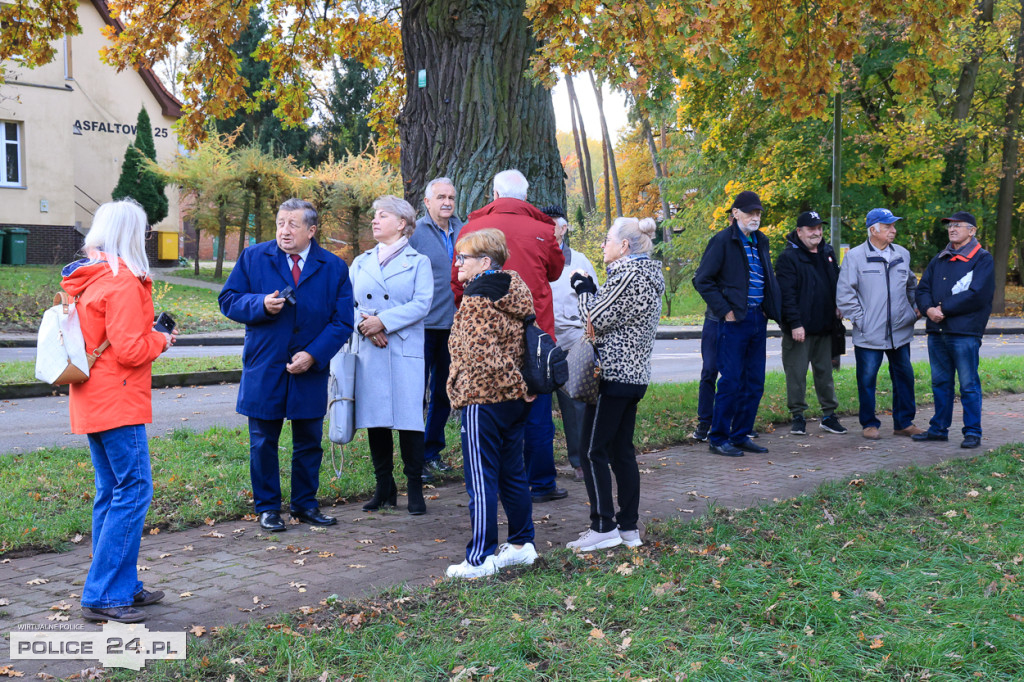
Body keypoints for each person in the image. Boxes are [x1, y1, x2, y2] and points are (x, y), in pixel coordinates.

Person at [62, 199, 177, 623]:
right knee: (133, 490)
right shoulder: (123, 281)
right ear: (132, 234)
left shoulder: (87, 278)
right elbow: (129, 351)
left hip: (92, 397)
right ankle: (106, 594)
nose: (147, 237)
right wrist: (161, 339)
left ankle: (119, 585)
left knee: (111, 493)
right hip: (119, 401)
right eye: (144, 230)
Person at [219, 198, 354, 532]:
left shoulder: (333, 267)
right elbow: (228, 300)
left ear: (312, 230)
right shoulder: (254, 257)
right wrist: (260, 304)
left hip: (310, 369)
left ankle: (305, 505)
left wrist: (314, 355)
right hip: (265, 365)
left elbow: (342, 321)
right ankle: (267, 508)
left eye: (293, 224)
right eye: (281, 223)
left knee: (308, 441)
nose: (284, 231)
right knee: (263, 441)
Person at [451, 169, 567, 503]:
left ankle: (498, 482)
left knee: (490, 408)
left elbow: (457, 280)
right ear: (525, 196)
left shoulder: (471, 229)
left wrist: (472, 309)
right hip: (535, 332)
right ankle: (541, 483)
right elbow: (556, 271)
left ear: (495, 194)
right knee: (537, 411)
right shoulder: (543, 229)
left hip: (487, 332)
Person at [565, 217, 664, 551]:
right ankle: (628, 528)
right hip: (633, 376)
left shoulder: (629, 275)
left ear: (624, 246)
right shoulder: (648, 275)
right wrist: (593, 292)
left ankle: (603, 526)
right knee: (621, 452)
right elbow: (612, 315)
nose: (602, 245)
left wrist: (582, 288)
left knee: (592, 451)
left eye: (607, 239)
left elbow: (593, 320)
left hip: (613, 375)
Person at [445, 229, 539, 578]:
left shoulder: (477, 298)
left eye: (463, 258)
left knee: (481, 480)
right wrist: (520, 387)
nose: (457, 264)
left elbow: (481, 354)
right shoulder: (514, 289)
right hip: (512, 401)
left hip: (482, 398)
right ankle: (521, 546)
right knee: (512, 474)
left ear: (485, 262)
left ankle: (480, 559)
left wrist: (515, 384)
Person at [350, 195, 433, 514]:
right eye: (374, 215)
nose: (374, 220)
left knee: (410, 421)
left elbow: (422, 303)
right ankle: (384, 486)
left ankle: (414, 487)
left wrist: (383, 321)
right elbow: (346, 303)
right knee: (376, 419)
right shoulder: (361, 261)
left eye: (382, 215)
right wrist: (365, 326)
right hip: (370, 349)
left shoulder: (419, 262)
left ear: (401, 223)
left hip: (402, 348)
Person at [693, 190, 781, 457]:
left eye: (758, 213)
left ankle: (740, 435)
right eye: (750, 212)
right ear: (735, 213)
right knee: (730, 381)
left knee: (754, 382)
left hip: (757, 319)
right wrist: (725, 311)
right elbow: (702, 279)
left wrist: (768, 310)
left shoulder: (760, 241)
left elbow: (764, 277)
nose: (755, 217)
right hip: (733, 321)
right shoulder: (723, 240)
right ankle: (718, 438)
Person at [836, 208, 924, 440]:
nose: (893, 230)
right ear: (873, 230)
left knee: (904, 377)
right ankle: (869, 424)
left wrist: (913, 310)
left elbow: (911, 285)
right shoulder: (855, 257)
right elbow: (845, 294)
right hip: (869, 333)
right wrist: (861, 320)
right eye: (887, 226)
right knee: (867, 380)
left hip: (900, 331)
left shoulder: (902, 254)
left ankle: (904, 423)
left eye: (893, 226)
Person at [913, 211, 995, 449]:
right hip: (937, 331)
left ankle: (973, 432)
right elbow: (922, 289)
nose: (952, 229)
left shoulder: (982, 258)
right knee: (940, 383)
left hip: (964, 333)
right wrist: (928, 310)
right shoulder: (940, 258)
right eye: (949, 226)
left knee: (968, 385)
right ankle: (938, 429)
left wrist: (943, 309)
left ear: (972, 231)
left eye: (958, 225)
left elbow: (977, 294)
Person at [409, 177, 463, 481]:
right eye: (441, 197)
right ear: (427, 202)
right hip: (423, 326)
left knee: (444, 391)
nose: (447, 202)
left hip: (456, 326)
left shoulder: (464, 230)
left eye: (451, 197)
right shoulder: (415, 232)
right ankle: (415, 458)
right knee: (417, 394)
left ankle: (432, 452)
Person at [775, 211, 847, 436]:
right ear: (799, 231)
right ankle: (798, 416)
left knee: (825, 374)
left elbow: (836, 281)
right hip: (799, 330)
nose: (817, 233)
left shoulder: (827, 252)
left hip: (825, 326)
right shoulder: (788, 258)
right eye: (811, 229)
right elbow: (786, 295)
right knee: (796, 375)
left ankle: (829, 416)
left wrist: (839, 304)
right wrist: (795, 324)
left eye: (819, 228)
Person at [541, 205, 598, 482]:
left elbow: (594, 297)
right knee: (537, 407)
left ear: (564, 228)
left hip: (573, 338)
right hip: (541, 340)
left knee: (575, 403)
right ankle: (539, 467)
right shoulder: (534, 256)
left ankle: (580, 460)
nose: (548, 230)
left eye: (553, 225)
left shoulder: (579, 260)